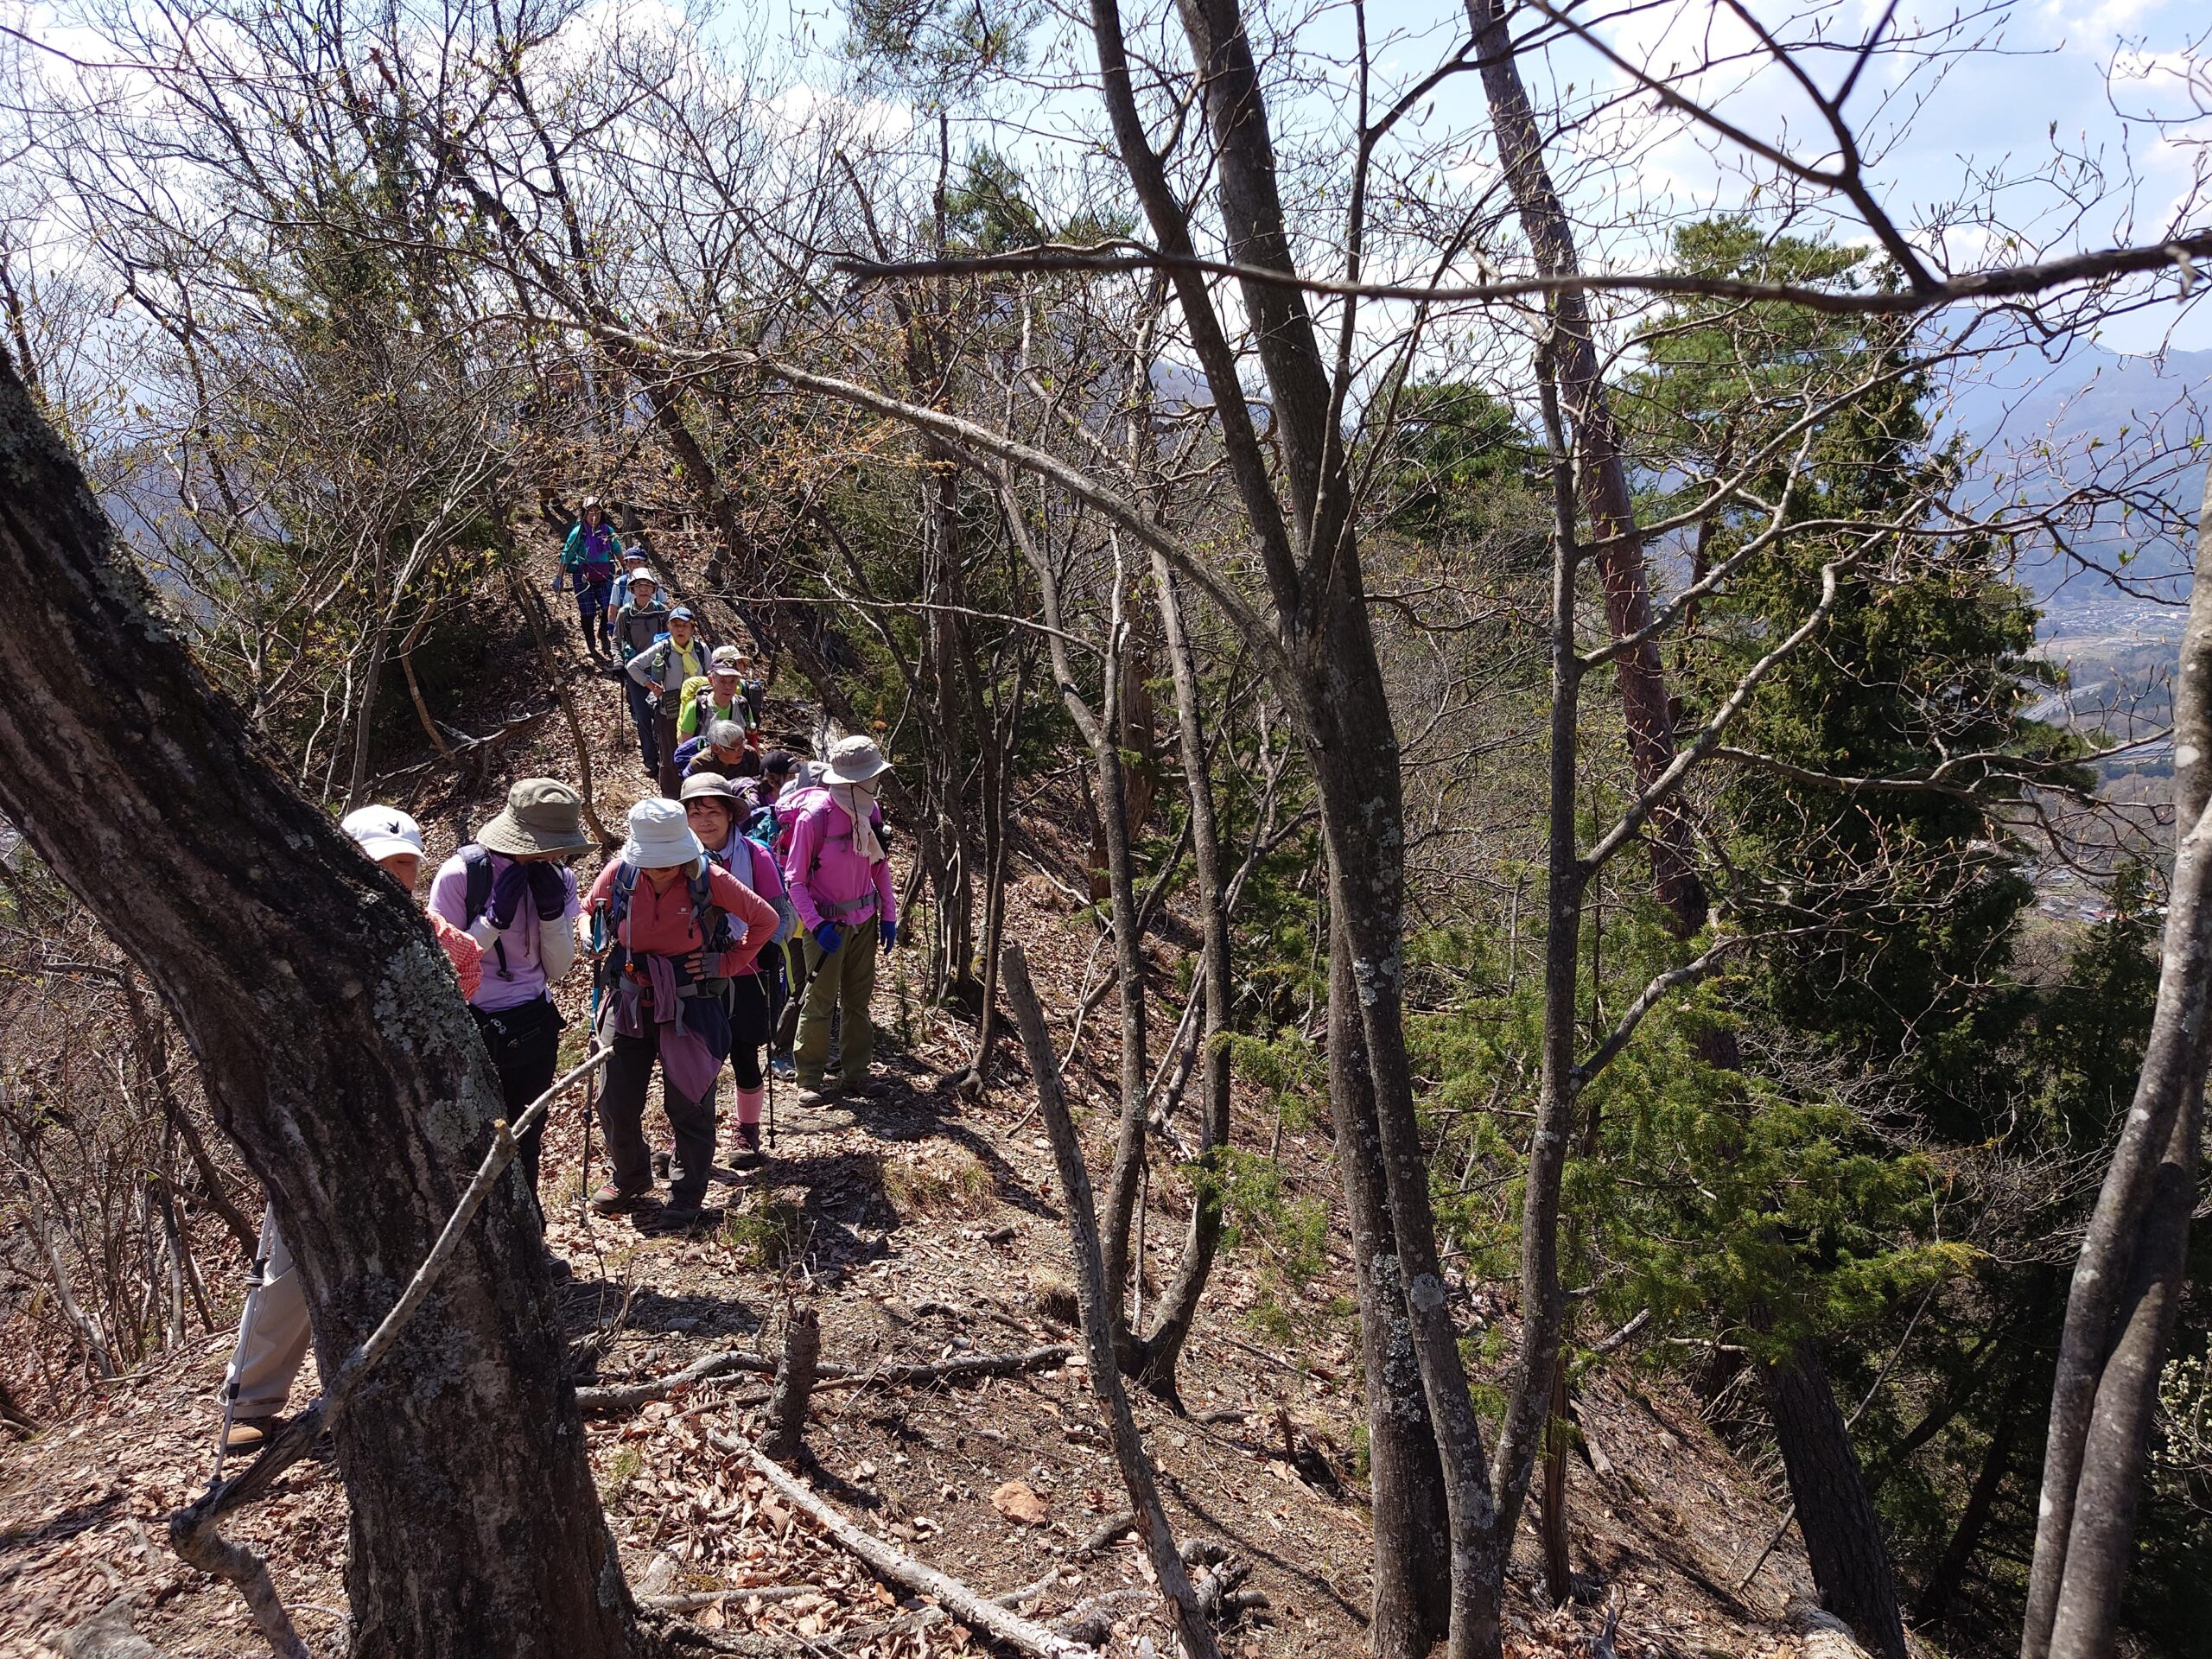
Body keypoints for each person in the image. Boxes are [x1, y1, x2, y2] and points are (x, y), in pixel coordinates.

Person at [219, 805, 483, 1455]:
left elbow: (463, 990)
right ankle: (252, 1399)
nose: (392, 878)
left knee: (416, 1250)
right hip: (315, 1126)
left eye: (404, 865)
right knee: (289, 1263)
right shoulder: (295, 935)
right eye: (378, 864)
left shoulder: (441, 940)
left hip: (408, 1124)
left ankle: (415, 1374)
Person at [578, 798, 777, 1224]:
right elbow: (588, 910)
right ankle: (630, 1175)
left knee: (689, 1101)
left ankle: (687, 1193)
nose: (660, 869)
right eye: (652, 861)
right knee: (614, 1099)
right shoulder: (621, 874)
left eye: (668, 861)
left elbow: (766, 919)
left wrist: (726, 963)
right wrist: (589, 934)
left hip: (692, 1001)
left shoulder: (709, 879)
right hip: (629, 998)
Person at [427, 779, 588, 1211]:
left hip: (534, 1023)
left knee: (526, 1135)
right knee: (475, 1141)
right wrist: (492, 920)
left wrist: (552, 915)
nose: (553, 856)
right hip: (473, 1024)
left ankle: (529, 1230)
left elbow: (558, 969)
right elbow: (447, 966)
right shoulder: (462, 876)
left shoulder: (560, 878)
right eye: (546, 846)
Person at [681, 774, 797, 1165]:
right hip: (694, 970)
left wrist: (758, 950)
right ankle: (693, 1139)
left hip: (748, 972)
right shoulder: (674, 858)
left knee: (744, 1054)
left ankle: (747, 1132)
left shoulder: (756, 855)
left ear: (730, 814)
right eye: (695, 813)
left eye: (713, 811)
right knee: (696, 1060)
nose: (705, 821)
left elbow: (779, 916)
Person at [784, 735, 899, 1103]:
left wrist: (888, 914)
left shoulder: (870, 812)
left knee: (857, 1002)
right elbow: (794, 880)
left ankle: (856, 1074)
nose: (874, 783)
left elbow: (878, 865)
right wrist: (815, 925)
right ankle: (809, 1079)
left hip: (865, 920)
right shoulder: (815, 818)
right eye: (869, 777)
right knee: (820, 1002)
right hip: (827, 925)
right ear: (851, 780)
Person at [625, 607, 710, 799]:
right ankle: (671, 798)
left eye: (685, 625)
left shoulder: (700, 649)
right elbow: (633, 666)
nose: (680, 629)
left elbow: (712, 674)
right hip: (668, 711)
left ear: (692, 628)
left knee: (698, 754)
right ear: (669, 628)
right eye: (676, 625)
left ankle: (695, 794)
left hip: (698, 713)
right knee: (669, 757)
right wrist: (650, 685)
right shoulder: (663, 648)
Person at [611, 569, 671, 777]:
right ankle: (650, 761)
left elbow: (672, 640)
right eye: (638, 585)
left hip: (660, 671)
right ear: (632, 589)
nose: (643, 589)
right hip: (635, 672)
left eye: (647, 585)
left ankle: (666, 758)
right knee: (643, 717)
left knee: (663, 716)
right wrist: (618, 662)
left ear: (653, 589)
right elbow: (616, 641)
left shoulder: (662, 612)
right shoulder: (625, 613)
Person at [560, 497, 623, 655]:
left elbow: (617, 549)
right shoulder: (578, 533)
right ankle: (590, 641)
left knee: (609, 607)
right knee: (588, 612)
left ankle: (603, 632)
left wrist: (626, 567)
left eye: (598, 512)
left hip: (604, 573)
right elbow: (566, 554)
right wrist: (559, 577)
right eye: (591, 512)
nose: (594, 516)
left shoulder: (607, 531)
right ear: (584, 513)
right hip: (584, 575)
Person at [677, 646, 760, 748]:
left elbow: (752, 743)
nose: (728, 687)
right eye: (722, 681)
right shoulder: (696, 708)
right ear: (711, 680)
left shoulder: (742, 706)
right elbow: (685, 749)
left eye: (733, 681)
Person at [672, 719, 756, 785]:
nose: (742, 750)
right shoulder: (700, 765)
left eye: (743, 743)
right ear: (716, 748)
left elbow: (756, 782)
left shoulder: (749, 755)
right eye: (736, 747)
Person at [610, 547, 652, 613]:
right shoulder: (620, 583)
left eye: (639, 562)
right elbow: (613, 608)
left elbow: (663, 604)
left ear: (645, 563)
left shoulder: (653, 582)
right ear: (627, 563)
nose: (635, 565)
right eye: (632, 562)